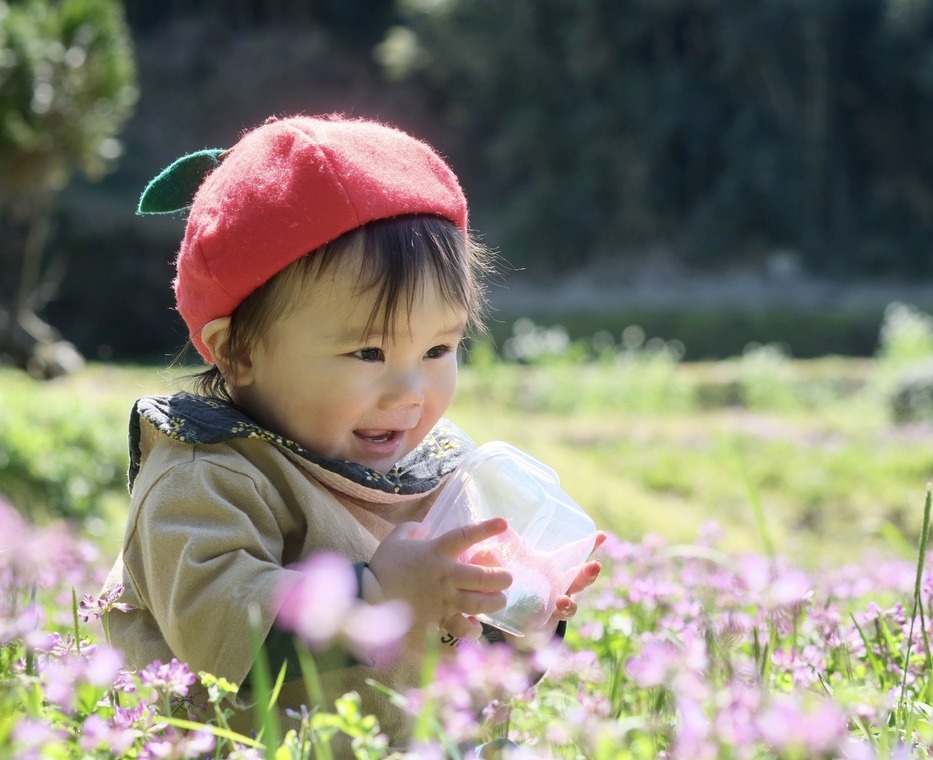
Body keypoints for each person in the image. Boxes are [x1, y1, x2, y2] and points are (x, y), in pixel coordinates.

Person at [99, 114, 604, 748]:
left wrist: (519, 618)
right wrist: (375, 594)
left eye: (438, 349)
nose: (409, 393)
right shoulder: (205, 476)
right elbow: (218, 629)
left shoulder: (430, 474)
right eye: (368, 353)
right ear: (239, 353)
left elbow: (460, 668)